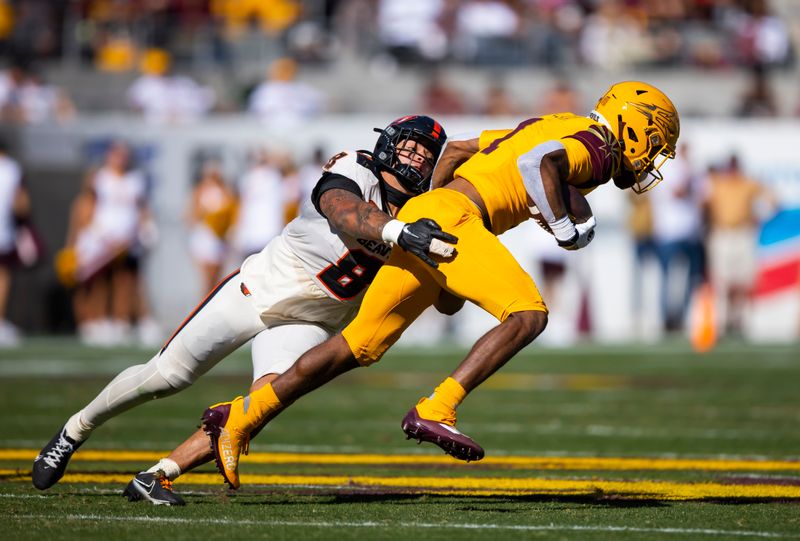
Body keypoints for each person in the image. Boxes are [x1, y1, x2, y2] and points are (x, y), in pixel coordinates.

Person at [199, 81, 681, 491]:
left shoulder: (557, 121)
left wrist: (428, 211)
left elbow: (456, 150)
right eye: (655, 142)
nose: (652, 157)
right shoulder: (596, 145)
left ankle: (241, 419)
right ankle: (438, 406)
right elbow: (540, 166)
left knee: (357, 345)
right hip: (457, 219)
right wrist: (563, 226)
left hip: (434, 218)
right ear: (633, 124)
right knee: (528, 313)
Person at [32, 115, 455, 506]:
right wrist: (400, 233)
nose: (416, 157)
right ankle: (74, 431)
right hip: (255, 291)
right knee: (166, 376)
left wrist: (453, 253)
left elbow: (448, 301)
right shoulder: (354, 167)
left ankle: (157, 476)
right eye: (410, 146)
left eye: (425, 153)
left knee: (260, 405)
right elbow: (345, 211)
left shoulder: (424, 210)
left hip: (311, 319)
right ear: (388, 144)